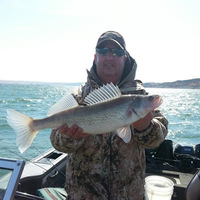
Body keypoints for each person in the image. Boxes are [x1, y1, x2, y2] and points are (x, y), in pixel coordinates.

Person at [50, 31, 168, 200]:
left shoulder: (139, 96)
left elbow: (159, 137)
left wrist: (147, 127)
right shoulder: (78, 97)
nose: (110, 57)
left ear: (125, 58)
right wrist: (70, 137)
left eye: (117, 52)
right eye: (103, 51)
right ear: (95, 57)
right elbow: (56, 141)